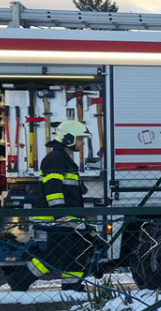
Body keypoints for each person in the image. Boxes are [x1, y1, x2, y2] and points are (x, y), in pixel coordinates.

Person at [8, 120, 97, 292]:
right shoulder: (56, 159)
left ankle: (72, 288)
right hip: (58, 220)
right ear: (69, 138)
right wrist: (59, 215)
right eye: (80, 139)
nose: (82, 143)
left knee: (75, 253)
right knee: (54, 256)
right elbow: (53, 189)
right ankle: (19, 280)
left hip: (68, 219)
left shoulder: (63, 159)